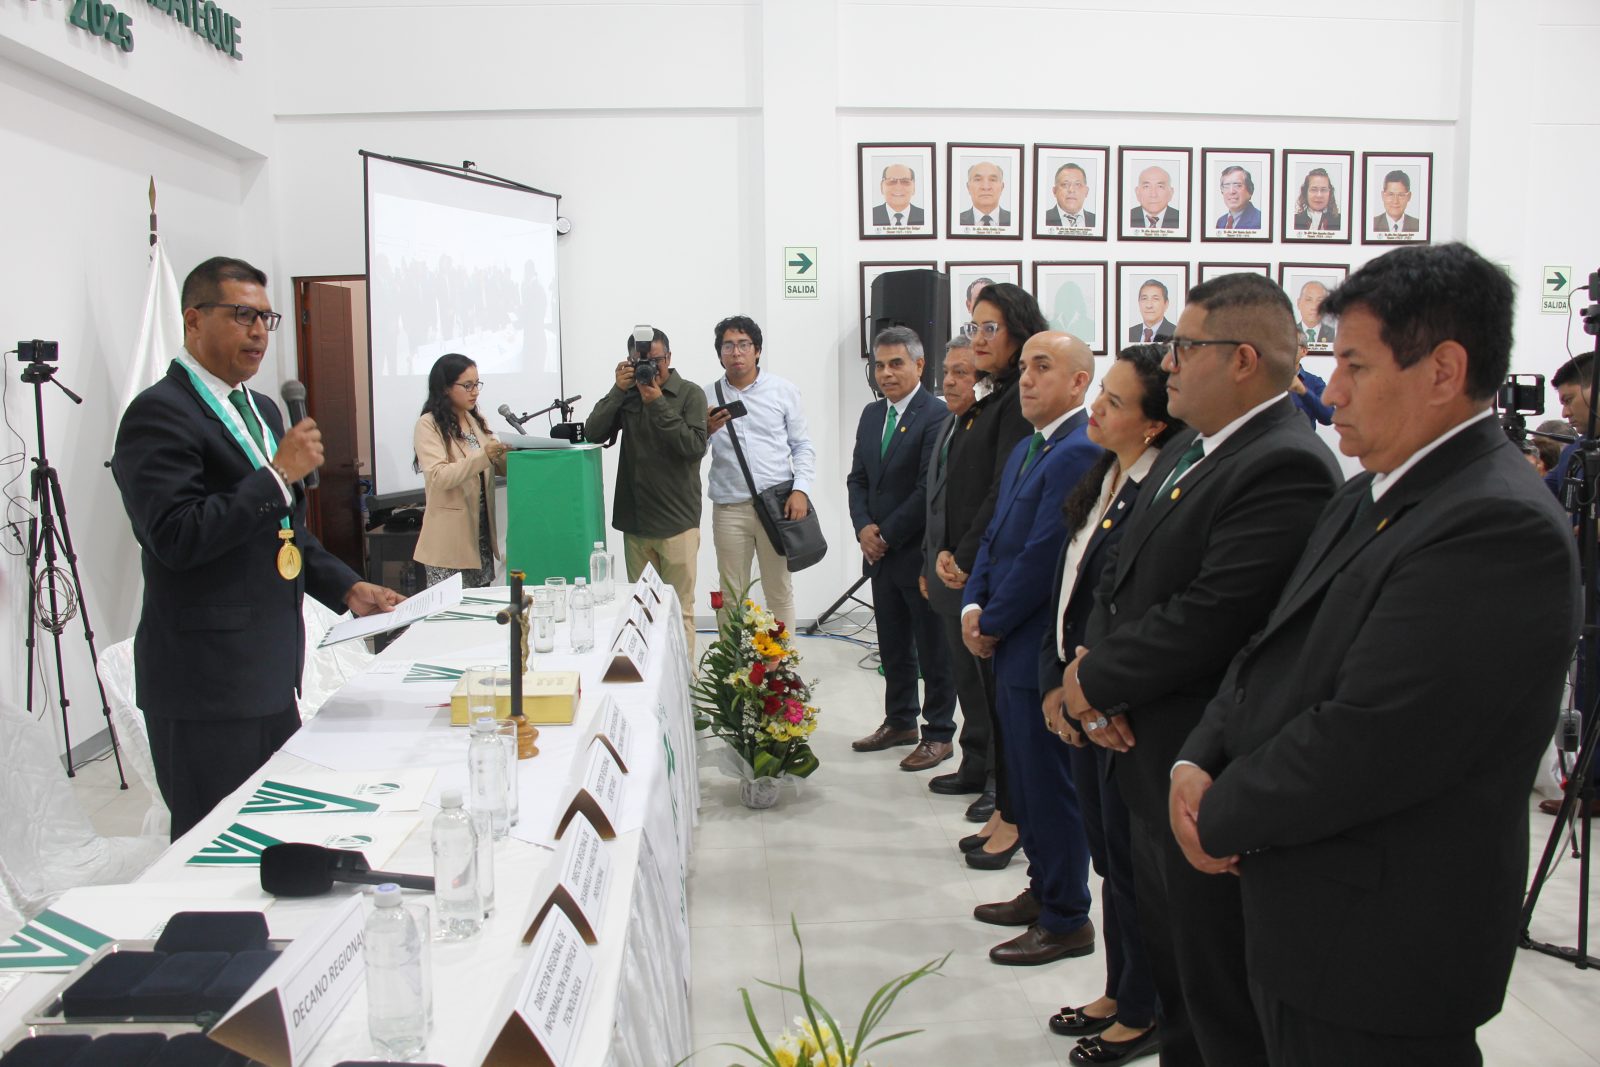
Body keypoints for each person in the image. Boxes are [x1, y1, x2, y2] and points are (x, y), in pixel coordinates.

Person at [1172, 242, 1580, 1066]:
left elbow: (1371, 738)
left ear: (1444, 369)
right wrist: (1196, 756)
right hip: (1307, 913)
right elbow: (1270, 645)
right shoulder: (1370, 490)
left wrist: (1218, 810)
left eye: (1354, 365)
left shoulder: (1495, 524)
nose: (1331, 392)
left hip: (1382, 945)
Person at [1064, 271, 1342, 1066]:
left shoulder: (1284, 463)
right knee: (1177, 973)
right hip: (1143, 744)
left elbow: (1214, 616)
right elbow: (1124, 574)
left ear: (1243, 359)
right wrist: (1093, 671)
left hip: (1200, 760)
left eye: (1183, 346)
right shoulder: (1193, 446)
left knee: (1218, 996)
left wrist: (1094, 680)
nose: (1168, 363)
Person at [112, 256, 402, 840]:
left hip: (269, 672)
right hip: (204, 683)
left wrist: (345, 586)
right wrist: (276, 475)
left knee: (273, 836)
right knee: (215, 846)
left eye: (266, 319)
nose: (258, 333)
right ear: (194, 319)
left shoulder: (260, 408)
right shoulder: (159, 413)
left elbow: (283, 531)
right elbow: (176, 536)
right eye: (242, 315)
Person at [1040, 345, 1182, 1065]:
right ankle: (1118, 989)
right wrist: (1057, 681)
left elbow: (1131, 607)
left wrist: (1090, 690)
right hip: (1081, 691)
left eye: (1115, 402)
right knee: (1109, 861)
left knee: (1131, 868)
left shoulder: (1159, 488)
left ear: (1154, 424)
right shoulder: (1107, 474)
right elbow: (1072, 587)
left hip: (1118, 707)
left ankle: (1142, 1008)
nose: (1095, 408)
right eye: (1101, 393)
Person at [963, 332, 1103, 966]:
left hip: (1035, 642)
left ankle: (1068, 916)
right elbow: (995, 537)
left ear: (1078, 382)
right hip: (1004, 635)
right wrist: (972, 606)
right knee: (1022, 779)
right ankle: (1043, 891)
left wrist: (990, 620)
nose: (1025, 379)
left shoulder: (1080, 450)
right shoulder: (1028, 446)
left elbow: (1044, 553)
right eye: (1023, 367)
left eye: (1042, 367)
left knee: (1049, 786)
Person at [935, 283, 1041, 842]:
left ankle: (1006, 792)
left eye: (989, 328)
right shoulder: (991, 398)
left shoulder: (1016, 402)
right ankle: (986, 773)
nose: (978, 338)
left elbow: (1002, 489)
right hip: (971, 562)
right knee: (975, 683)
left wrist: (966, 554)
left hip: (994, 565)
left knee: (1001, 691)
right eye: (973, 327)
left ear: (1019, 332)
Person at [848, 328, 958, 769]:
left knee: (933, 649)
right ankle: (900, 721)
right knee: (893, 645)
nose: (886, 373)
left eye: (896, 363)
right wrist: (863, 528)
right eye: (879, 365)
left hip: (918, 553)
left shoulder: (938, 414)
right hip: (880, 556)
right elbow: (858, 479)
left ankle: (940, 732)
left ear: (919, 365)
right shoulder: (872, 414)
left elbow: (927, 489)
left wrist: (885, 535)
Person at [584, 327, 708, 655]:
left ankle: (685, 680)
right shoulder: (627, 394)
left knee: (680, 609)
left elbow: (693, 447)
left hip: (678, 522)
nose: (650, 368)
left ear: (669, 357)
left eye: (656, 360)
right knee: (642, 610)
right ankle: (649, 678)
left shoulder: (690, 394)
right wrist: (617, 390)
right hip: (637, 522)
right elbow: (592, 433)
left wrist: (657, 404)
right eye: (641, 361)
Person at [705, 315, 816, 630]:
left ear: (757, 350)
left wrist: (801, 489)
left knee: (779, 591)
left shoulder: (783, 390)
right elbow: (692, 452)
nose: (736, 353)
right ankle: (734, 661)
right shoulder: (706, 396)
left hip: (777, 505)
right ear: (720, 353)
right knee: (732, 595)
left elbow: (802, 446)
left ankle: (784, 661)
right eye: (728, 346)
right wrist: (706, 431)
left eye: (744, 345)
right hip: (729, 508)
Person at [920, 338, 995, 796]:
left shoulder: (988, 430)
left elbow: (985, 506)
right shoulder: (951, 423)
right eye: (947, 371)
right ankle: (975, 763)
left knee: (987, 686)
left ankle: (998, 781)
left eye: (962, 373)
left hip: (975, 574)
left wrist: (963, 560)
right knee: (965, 679)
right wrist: (927, 564)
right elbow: (936, 504)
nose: (948, 381)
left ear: (984, 380)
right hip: (945, 573)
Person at [413, 353, 510, 589]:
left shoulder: (475, 420)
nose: (475, 391)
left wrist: (511, 453)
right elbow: (439, 476)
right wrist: (485, 455)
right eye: (467, 385)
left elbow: (493, 466)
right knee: (451, 609)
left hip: (479, 541)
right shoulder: (428, 424)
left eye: (477, 384)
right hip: (448, 545)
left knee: (480, 606)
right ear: (445, 388)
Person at [959, 161, 1012, 227]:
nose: (985, 187)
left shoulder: (1015, 220)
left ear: (1002, 187)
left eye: (992, 180)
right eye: (978, 180)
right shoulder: (955, 221)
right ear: (968, 187)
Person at [871, 163, 925, 227]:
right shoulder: (869, 216)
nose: (898, 187)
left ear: (914, 187)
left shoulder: (926, 216)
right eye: (891, 181)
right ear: (881, 187)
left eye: (905, 181)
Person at [1046, 162, 1097, 228]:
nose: (1071, 190)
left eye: (1077, 184)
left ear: (1086, 192)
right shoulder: (1042, 219)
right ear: (1054, 191)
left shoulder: (1097, 221)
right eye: (1065, 184)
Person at [1371, 169, 1421, 233]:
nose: (1395, 201)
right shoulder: (1372, 224)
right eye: (1390, 194)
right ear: (1383, 196)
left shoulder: (1418, 226)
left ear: (1409, 196)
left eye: (1401, 195)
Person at [1214, 165, 1261, 230]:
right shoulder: (1221, 222)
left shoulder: (1260, 221)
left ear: (1250, 191)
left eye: (1238, 185)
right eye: (1226, 186)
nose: (1231, 191)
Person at [1295, 280, 1334, 346]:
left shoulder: (1333, 333)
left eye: (1319, 301)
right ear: (1299, 303)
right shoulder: (1290, 332)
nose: (1314, 307)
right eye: (1309, 300)